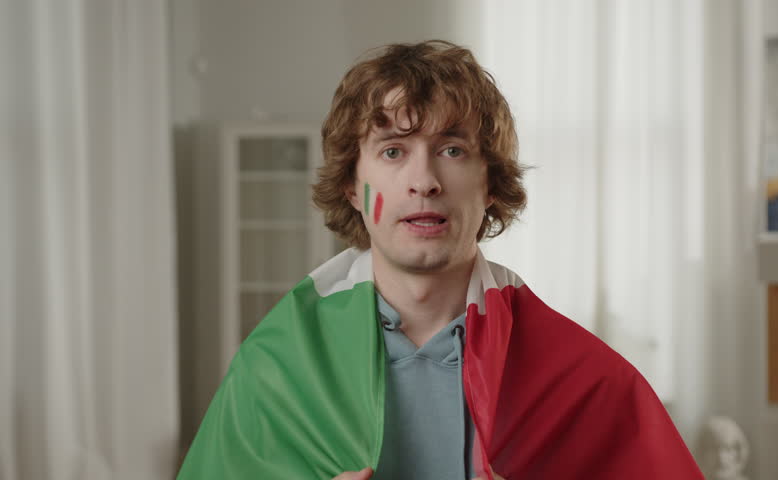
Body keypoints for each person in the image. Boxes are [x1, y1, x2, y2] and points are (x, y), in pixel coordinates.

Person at [178, 40, 703, 480]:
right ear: (351, 185)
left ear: (490, 182)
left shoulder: (580, 379)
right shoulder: (279, 365)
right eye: (392, 151)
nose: (424, 180)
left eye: (452, 149)